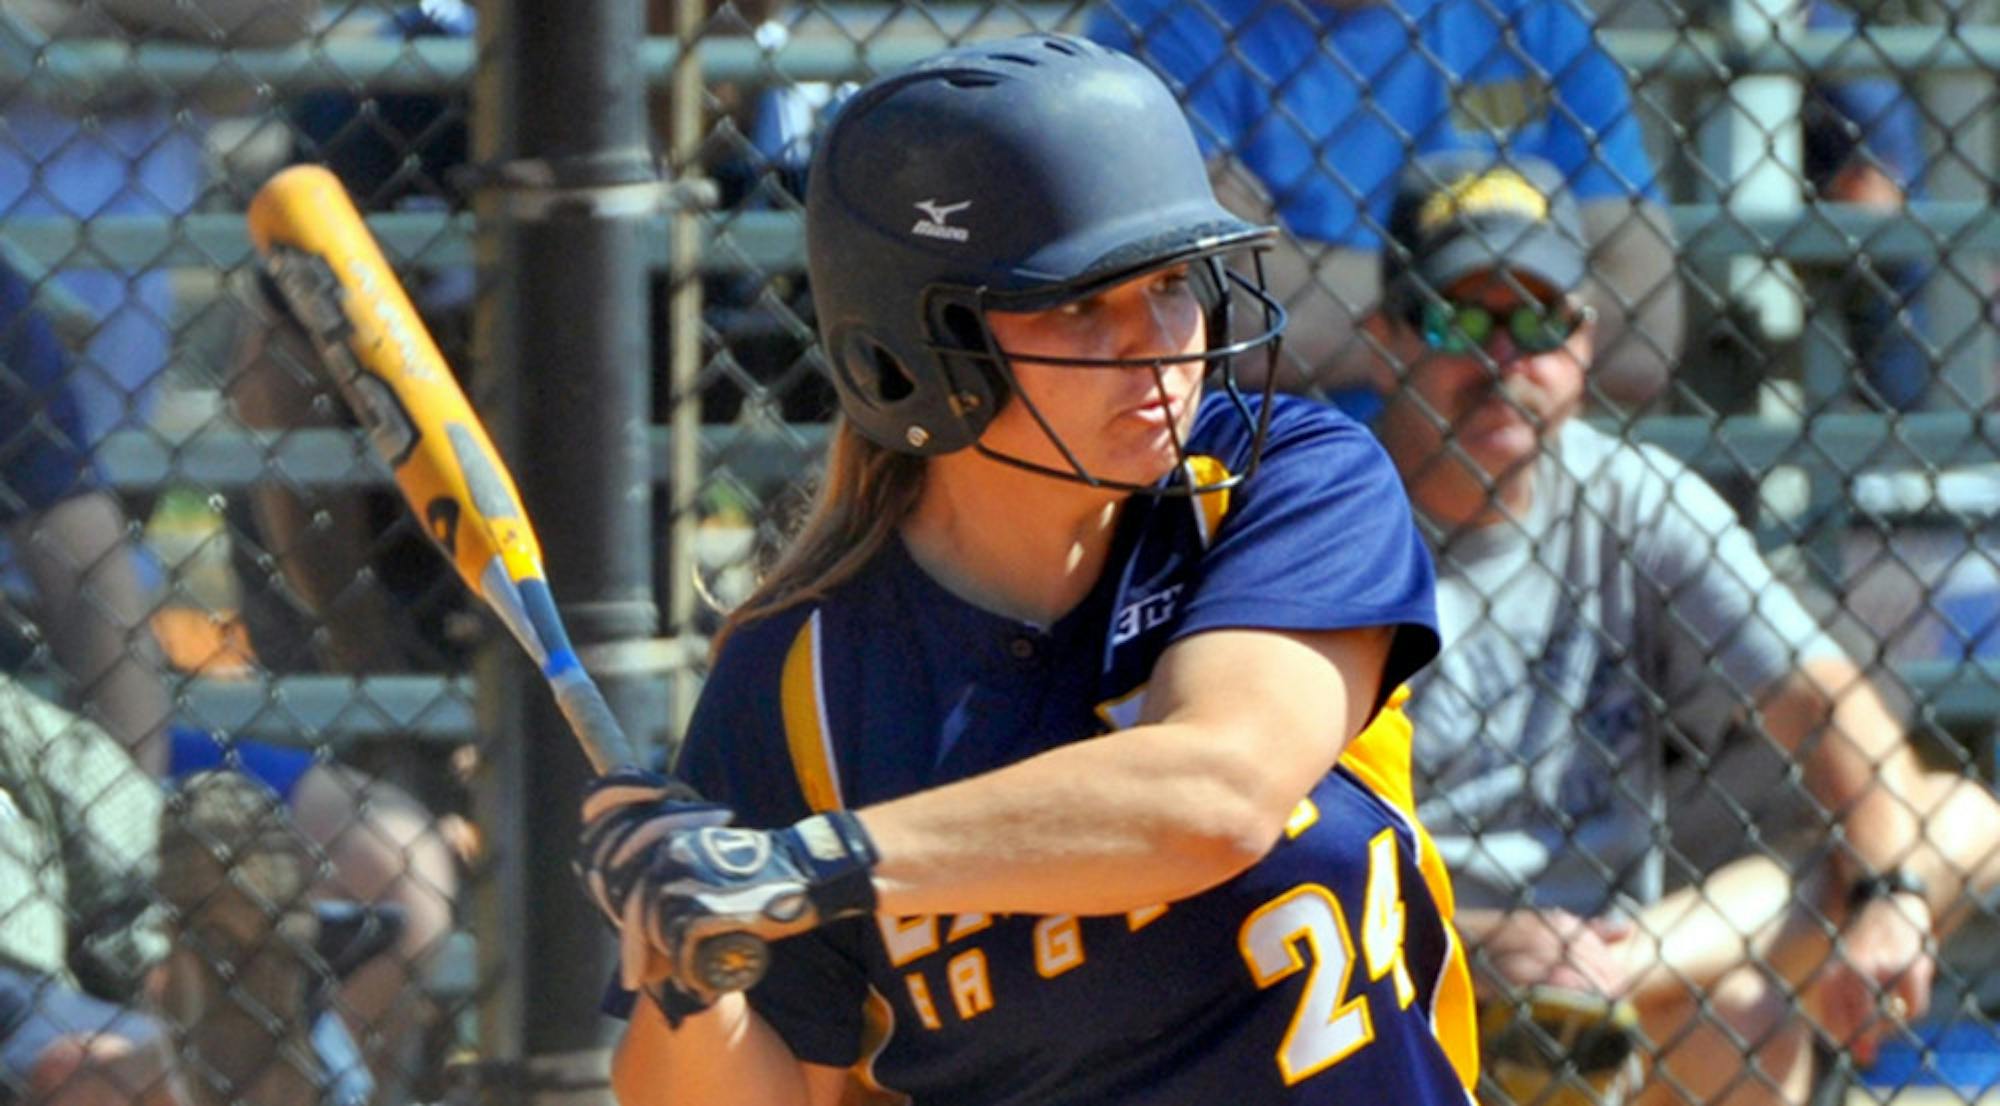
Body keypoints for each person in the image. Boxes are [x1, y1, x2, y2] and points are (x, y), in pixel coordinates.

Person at [575, 33, 1481, 1106]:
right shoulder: (802, 679)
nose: (1157, 346)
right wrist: (687, 956)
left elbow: (1215, 791)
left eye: (1169, 283)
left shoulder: (1276, 480)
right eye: (1077, 306)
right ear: (914, 355)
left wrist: (804, 863)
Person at [1359, 150, 2000, 1106]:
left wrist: (1888, 901)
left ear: (1585, 342)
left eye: (1537, 322)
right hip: (1413, 979)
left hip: (1628, 968)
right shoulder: (1332, 515)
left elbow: (1821, 704)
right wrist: (1485, 944)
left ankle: (1613, 971)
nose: (1504, 362)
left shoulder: (1627, 491)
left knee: (1949, 825)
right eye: (1460, 319)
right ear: (1387, 341)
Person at [1085, 0, 1684, 412]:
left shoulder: (1528, 18)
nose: (1477, 335)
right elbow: (1207, 319)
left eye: (1503, 317)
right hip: (1273, 474)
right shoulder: (1167, 25)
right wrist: (1523, 306)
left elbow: (1645, 333)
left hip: (1504, 473)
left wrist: (1297, 280)